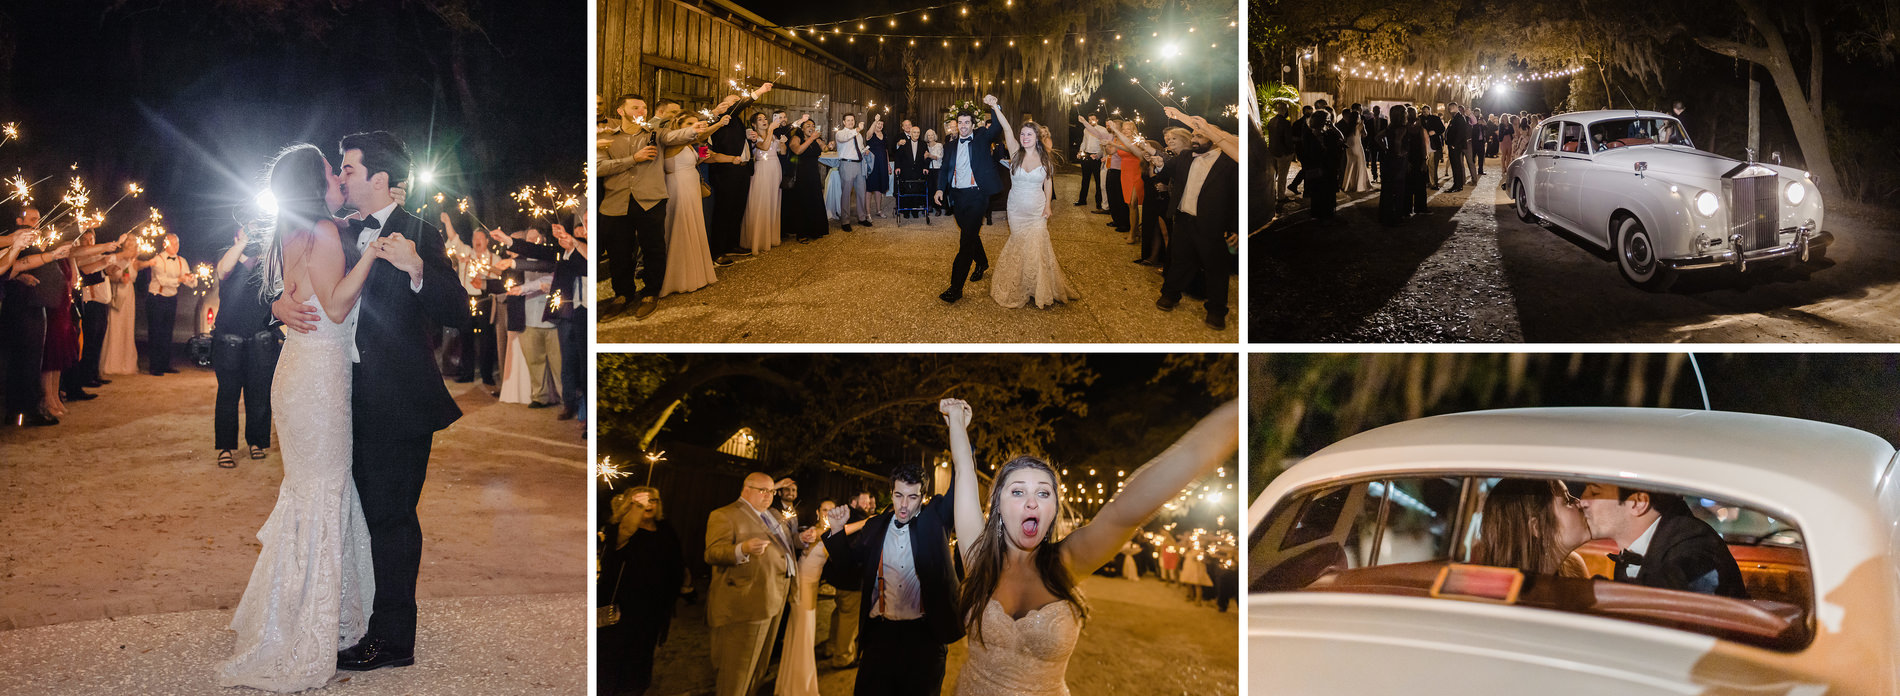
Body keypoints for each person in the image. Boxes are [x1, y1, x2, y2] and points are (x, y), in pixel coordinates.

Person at [270, 131, 471, 673]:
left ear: (379, 179)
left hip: (398, 402)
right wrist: (277, 305)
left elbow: (460, 311)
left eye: (350, 169)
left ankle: (393, 640)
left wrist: (417, 270)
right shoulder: (334, 228)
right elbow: (274, 272)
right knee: (352, 516)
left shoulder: (419, 232)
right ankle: (349, 621)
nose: (340, 176)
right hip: (335, 401)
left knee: (391, 519)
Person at [940, 397, 1238, 695]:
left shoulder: (1068, 560)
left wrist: (1233, 418)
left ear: (1054, 509)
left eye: (1043, 493)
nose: (1032, 501)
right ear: (998, 507)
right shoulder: (978, 558)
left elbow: (1126, 510)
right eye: (1018, 491)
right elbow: (965, 470)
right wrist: (956, 418)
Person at [220, 143, 380, 691]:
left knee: (308, 491)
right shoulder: (327, 232)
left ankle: (291, 619)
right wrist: (373, 255)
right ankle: (311, 633)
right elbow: (335, 306)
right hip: (319, 377)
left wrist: (274, 304)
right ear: (316, 180)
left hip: (295, 371)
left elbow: (286, 293)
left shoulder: (292, 233)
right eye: (332, 171)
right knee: (324, 491)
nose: (339, 176)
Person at [819, 462, 961, 696]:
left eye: (912, 497)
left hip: (923, 639)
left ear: (922, 497)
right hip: (880, 636)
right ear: (891, 493)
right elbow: (849, 568)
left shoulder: (934, 522)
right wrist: (836, 530)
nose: (904, 505)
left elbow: (959, 488)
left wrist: (961, 443)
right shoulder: (875, 525)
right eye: (898, 495)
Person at [599, 93, 713, 321]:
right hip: (616, 201)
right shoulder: (606, 137)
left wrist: (695, 129)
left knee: (653, 248)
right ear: (621, 111)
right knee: (619, 252)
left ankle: (651, 292)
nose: (641, 111)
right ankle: (622, 295)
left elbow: (676, 135)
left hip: (650, 199)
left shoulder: (656, 133)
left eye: (643, 108)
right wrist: (634, 158)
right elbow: (599, 167)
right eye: (635, 107)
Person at [705, 472, 813, 696]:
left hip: (775, 597)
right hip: (746, 603)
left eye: (772, 491)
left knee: (759, 666)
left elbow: (786, 542)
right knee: (737, 670)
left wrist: (801, 539)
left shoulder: (773, 514)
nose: (769, 496)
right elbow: (712, 553)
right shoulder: (725, 515)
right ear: (746, 489)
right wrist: (741, 549)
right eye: (763, 491)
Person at [1579, 483, 1748, 598]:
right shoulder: (1637, 546)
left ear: (1638, 503)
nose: (1582, 502)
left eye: (1594, 492)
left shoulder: (1693, 547)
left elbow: (1662, 606)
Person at [1153, 108, 1239, 331]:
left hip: (1212, 224)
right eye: (1194, 135)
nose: (1195, 139)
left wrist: (1235, 227)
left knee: (1216, 267)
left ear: (1216, 140)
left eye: (1200, 135)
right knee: (1180, 260)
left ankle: (1216, 310)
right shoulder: (1184, 157)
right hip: (1184, 219)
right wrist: (1158, 162)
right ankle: (1170, 295)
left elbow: (1236, 197)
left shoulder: (1229, 163)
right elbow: (1165, 170)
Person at [599, 486, 686, 696]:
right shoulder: (619, 527)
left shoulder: (665, 528)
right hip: (623, 607)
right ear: (630, 503)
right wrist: (636, 508)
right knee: (614, 657)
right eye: (641, 501)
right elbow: (626, 532)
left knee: (642, 655)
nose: (649, 504)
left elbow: (676, 560)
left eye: (653, 500)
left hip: (653, 607)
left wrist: (684, 584)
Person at [989, 108, 1075, 310]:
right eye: (1023, 134)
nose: (1024, 137)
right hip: (1016, 209)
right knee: (1020, 245)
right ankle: (1020, 286)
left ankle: (1039, 287)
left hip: (1037, 210)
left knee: (1037, 245)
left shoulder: (1045, 158)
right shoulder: (1015, 153)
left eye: (1029, 134)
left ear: (1037, 137)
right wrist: (995, 108)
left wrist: (1048, 206)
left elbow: (1048, 183)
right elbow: (1007, 129)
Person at [211, 224, 281, 468]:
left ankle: (256, 442)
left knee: (259, 395)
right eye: (246, 230)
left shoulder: (267, 262)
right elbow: (223, 271)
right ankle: (226, 448)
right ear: (236, 235)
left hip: (260, 339)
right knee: (228, 396)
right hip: (229, 340)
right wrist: (243, 242)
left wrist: (268, 242)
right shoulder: (229, 257)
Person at [934, 96, 1006, 304]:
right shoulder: (950, 146)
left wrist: (994, 106)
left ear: (973, 125)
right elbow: (945, 169)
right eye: (960, 123)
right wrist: (940, 189)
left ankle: (956, 288)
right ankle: (982, 262)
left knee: (965, 242)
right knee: (970, 234)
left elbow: (998, 126)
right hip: (957, 196)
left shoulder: (982, 137)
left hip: (977, 195)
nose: (963, 126)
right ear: (956, 125)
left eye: (967, 123)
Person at [1471, 479, 1592, 578]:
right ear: (1537, 527)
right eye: (1567, 501)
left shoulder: (1574, 568)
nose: (1579, 502)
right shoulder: (1500, 592)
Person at [704, 85, 768, 266]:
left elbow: (739, 143)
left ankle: (732, 244)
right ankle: (717, 251)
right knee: (723, 211)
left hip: (742, 170)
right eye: (734, 101)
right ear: (724, 105)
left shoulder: (737, 121)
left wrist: (750, 138)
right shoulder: (719, 120)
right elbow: (709, 151)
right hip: (726, 171)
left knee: (737, 209)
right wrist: (760, 91)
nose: (738, 104)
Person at [819, 491, 873, 667]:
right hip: (852, 580)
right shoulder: (854, 520)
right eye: (863, 502)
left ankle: (831, 646)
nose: (867, 505)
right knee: (849, 619)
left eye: (868, 501)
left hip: (842, 579)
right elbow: (851, 550)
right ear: (853, 502)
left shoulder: (857, 517)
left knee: (839, 614)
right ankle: (843, 657)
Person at [143, 233, 197, 376]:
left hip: (171, 298)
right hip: (156, 298)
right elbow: (163, 281)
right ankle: (155, 366)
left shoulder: (182, 260)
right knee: (156, 333)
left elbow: (190, 282)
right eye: (173, 243)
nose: (176, 246)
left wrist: (191, 279)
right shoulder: (158, 259)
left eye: (177, 243)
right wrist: (179, 280)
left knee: (167, 332)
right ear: (165, 244)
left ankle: (165, 364)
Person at [741, 112, 783, 254]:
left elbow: (781, 152)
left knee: (773, 202)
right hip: (762, 170)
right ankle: (758, 240)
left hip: (775, 168)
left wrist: (781, 142)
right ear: (754, 124)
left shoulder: (775, 136)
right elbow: (764, 147)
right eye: (760, 119)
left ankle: (770, 237)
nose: (764, 121)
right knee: (761, 202)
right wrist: (771, 129)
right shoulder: (753, 136)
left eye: (765, 118)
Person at [1298, 110, 1344, 221]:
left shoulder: (1328, 133)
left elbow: (1341, 139)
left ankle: (1327, 214)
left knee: (1328, 193)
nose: (1329, 122)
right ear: (1321, 121)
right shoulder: (1308, 135)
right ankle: (1319, 214)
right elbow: (1305, 153)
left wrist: (1333, 127)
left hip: (1329, 169)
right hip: (1317, 169)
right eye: (1327, 120)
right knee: (1318, 193)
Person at [788, 117, 828, 243]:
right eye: (808, 125)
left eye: (813, 125)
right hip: (801, 174)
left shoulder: (816, 139)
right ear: (802, 128)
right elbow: (797, 150)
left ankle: (814, 230)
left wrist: (828, 145)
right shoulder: (797, 138)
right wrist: (811, 139)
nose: (811, 127)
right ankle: (801, 233)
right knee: (802, 202)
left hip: (813, 174)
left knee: (814, 200)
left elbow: (825, 149)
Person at [834, 113, 871, 231]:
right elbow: (846, 138)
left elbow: (859, 148)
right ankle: (845, 221)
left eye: (852, 120)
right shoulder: (840, 133)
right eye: (848, 120)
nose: (850, 122)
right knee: (846, 193)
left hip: (859, 164)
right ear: (844, 122)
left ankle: (862, 217)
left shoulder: (859, 135)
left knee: (861, 191)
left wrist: (865, 151)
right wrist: (857, 129)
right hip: (847, 164)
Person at [1074, 114, 1103, 207]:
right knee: (1085, 179)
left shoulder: (1102, 130)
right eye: (1089, 119)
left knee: (1098, 181)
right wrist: (1080, 151)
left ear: (1097, 120)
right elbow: (1084, 142)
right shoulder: (1086, 129)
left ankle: (1099, 203)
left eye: (1093, 119)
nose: (1091, 121)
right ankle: (1082, 200)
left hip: (1096, 157)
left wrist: (1098, 155)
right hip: (1086, 156)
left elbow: (1104, 145)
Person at [866, 116, 891, 220]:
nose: (880, 125)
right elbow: (868, 133)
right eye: (878, 123)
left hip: (883, 164)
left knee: (879, 188)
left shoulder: (884, 135)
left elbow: (886, 151)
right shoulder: (870, 135)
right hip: (872, 165)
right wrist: (875, 120)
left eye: (881, 123)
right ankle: (867, 213)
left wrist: (888, 164)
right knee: (869, 188)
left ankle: (878, 210)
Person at [1445, 102, 1470, 192]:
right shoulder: (1455, 118)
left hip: (1455, 146)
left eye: (1451, 107)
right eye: (1449, 108)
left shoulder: (1459, 118)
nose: (1449, 109)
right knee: (1455, 166)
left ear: (1455, 108)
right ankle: (1457, 184)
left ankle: (1457, 185)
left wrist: (1454, 144)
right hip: (1452, 145)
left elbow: (1460, 133)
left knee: (1456, 166)